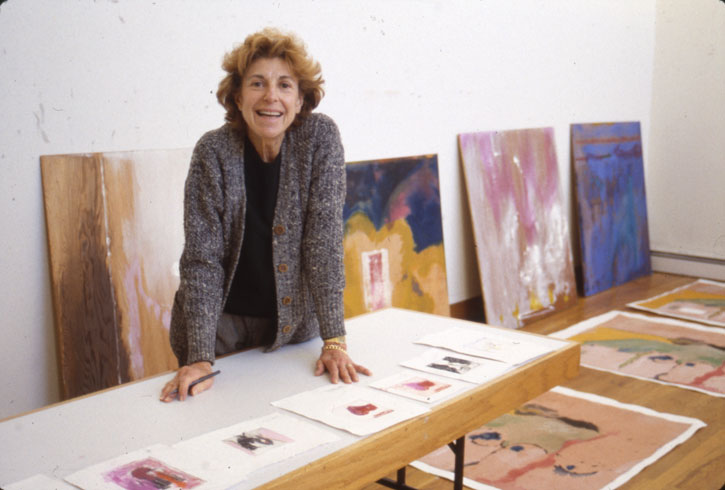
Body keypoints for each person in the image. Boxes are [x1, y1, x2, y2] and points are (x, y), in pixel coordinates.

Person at [160, 27, 370, 402]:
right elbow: (202, 260)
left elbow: (322, 242)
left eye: (285, 85)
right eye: (257, 83)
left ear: (301, 98)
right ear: (237, 96)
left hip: (292, 330)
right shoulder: (213, 151)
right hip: (218, 330)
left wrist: (334, 339)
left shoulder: (320, 139)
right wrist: (200, 357)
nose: (271, 97)